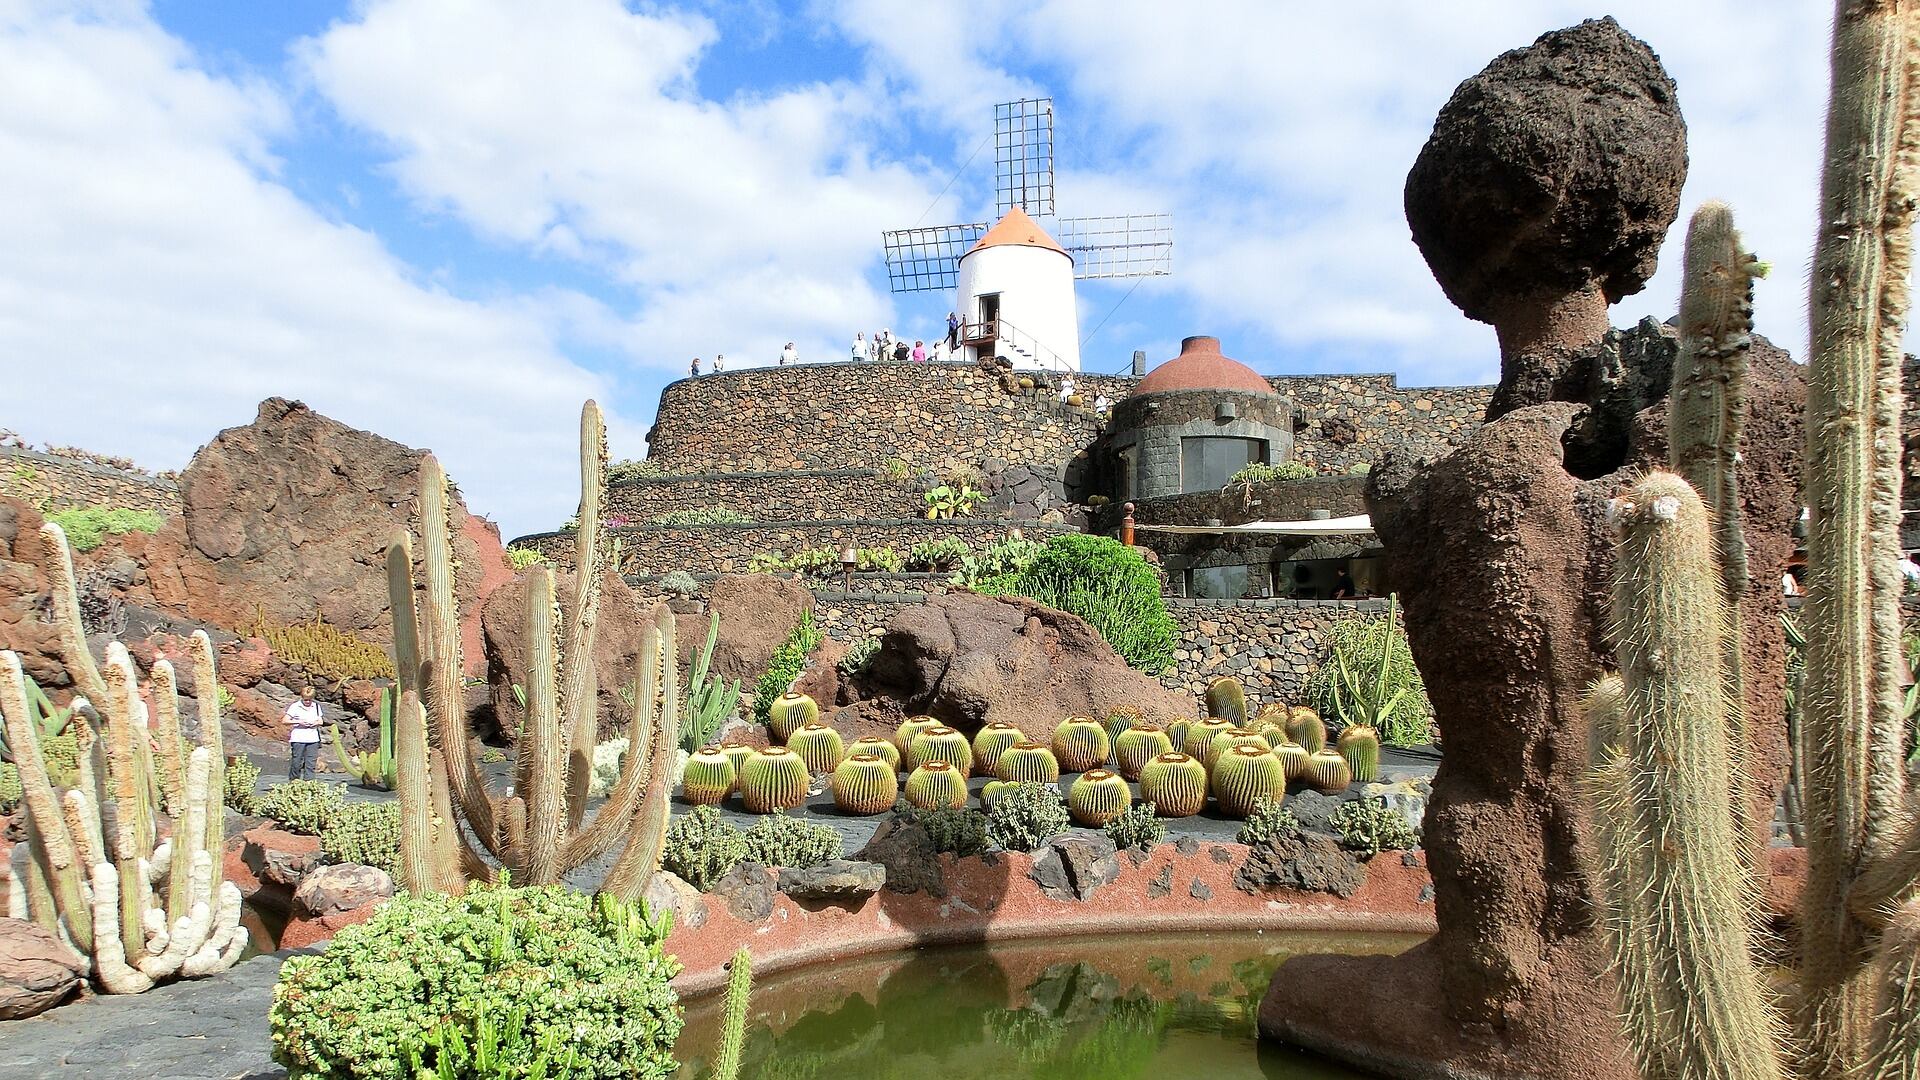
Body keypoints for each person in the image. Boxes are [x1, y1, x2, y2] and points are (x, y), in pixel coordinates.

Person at [284, 685, 324, 781]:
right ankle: (294, 783)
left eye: (310, 700)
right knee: (296, 763)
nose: (308, 702)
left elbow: (321, 721)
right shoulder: (295, 706)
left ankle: (308, 784)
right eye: (306, 700)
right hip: (298, 738)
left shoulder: (316, 706)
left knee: (310, 764)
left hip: (313, 739)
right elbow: (285, 720)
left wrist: (315, 723)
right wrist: (299, 722)